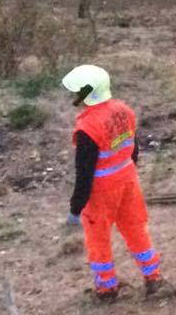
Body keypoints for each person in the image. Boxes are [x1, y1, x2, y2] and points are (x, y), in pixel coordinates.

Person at [64, 65, 165, 300]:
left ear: (87, 93)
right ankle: (154, 278)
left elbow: (84, 173)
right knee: (136, 228)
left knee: (98, 238)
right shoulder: (123, 111)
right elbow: (132, 147)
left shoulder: (88, 128)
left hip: (101, 192)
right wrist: (127, 170)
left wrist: (76, 207)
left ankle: (106, 289)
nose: (73, 94)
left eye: (77, 91)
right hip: (128, 182)